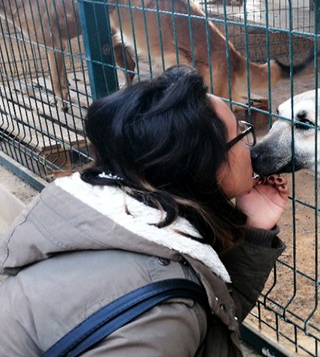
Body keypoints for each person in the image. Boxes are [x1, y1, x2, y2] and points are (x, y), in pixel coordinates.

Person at [0, 65, 288, 356]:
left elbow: (209, 315)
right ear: (204, 166)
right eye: (240, 134)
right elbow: (175, 315)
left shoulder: (98, 220)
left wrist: (253, 230)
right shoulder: (161, 318)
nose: (253, 147)